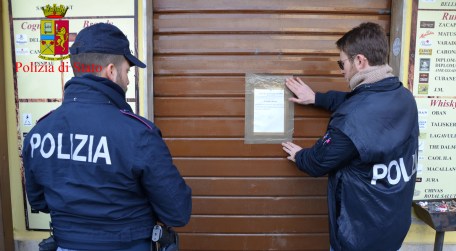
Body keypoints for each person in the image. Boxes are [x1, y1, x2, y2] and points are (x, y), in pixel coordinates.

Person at [22, 23, 192, 251]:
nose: (128, 81)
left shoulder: (39, 132)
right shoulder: (138, 134)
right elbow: (177, 211)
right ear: (111, 71)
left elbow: (39, 201)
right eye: (127, 72)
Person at [281, 22, 418, 251]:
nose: (341, 69)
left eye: (342, 62)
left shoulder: (352, 119)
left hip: (360, 237)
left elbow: (317, 162)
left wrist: (301, 155)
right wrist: (316, 98)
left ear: (360, 61)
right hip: (393, 226)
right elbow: (359, 103)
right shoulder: (403, 97)